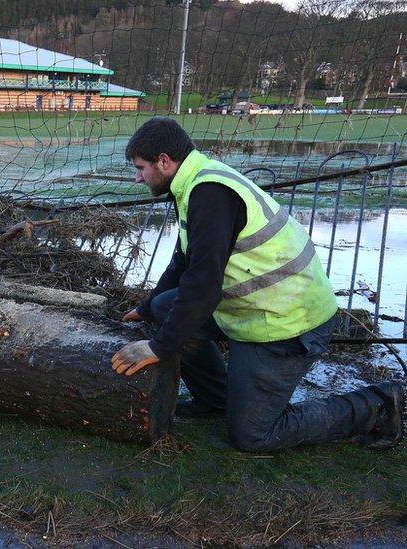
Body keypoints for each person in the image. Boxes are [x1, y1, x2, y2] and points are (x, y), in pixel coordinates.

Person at [111, 117, 404, 453]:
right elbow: (184, 261)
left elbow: (203, 286)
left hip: (289, 322)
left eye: (140, 167)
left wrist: (158, 347)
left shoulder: (210, 194)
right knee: (165, 307)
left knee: (253, 436)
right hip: (258, 309)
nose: (137, 176)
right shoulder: (194, 183)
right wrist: (147, 307)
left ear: (164, 161)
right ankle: (216, 400)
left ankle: (377, 404)